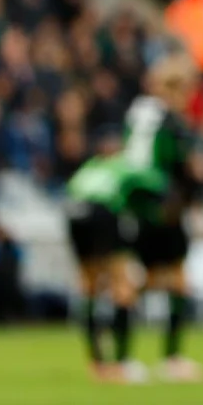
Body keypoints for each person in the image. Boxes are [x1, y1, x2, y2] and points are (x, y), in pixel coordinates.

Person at [123, 53, 203, 382]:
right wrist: (192, 196)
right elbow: (179, 168)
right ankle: (172, 359)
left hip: (137, 206)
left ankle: (122, 358)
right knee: (177, 282)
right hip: (164, 208)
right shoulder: (171, 121)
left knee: (142, 281)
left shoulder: (139, 114)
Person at [64, 145, 165, 382]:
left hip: (74, 214)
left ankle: (97, 363)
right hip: (103, 214)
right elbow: (157, 185)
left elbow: (71, 190)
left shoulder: (88, 168)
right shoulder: (124, 166)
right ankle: (121, 363)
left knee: (89, 286)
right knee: (122, 286)